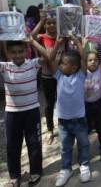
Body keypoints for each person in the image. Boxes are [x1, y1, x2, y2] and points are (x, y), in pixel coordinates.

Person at [1, 37, 49, 187]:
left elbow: (48, 57)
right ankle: (14, 175)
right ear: (8, 53)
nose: (17, 55)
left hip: (32, 111)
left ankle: (35, 171)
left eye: (21, 51)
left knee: (34, 143)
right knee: (12, 145)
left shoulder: (33, 64)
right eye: (13, 52)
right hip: (12, 113)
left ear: (26, 51)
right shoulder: (4, 67)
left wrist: (32, 41)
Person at [49, 37, 91, 186]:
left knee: (83, 144)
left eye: (63, 63)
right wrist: (58, 43)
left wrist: (78, 42)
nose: (60, 65)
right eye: (60, 63)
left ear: (74, 67)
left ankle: (84, 165)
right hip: (63, 121)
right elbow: (51, 58)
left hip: (79, 119)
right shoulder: (58, 75)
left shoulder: (80, 75)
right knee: (65, 147)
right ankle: (65, 169)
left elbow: (84, 58)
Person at [31, 10, 58, 145]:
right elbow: (30, 36)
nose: (52, 25)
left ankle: (65, 125)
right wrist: (41, 20)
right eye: (49, 23)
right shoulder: (41, 37)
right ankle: (50, 129)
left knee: (63, 101)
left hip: (62, 76)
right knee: (49, 104)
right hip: (47, 76)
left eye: (54, 23)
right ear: (45, 25)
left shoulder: (62, 37)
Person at [84, 50, 101, 161]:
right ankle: (83, 152)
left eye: (95, 60)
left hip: (98, 104)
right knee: (85, 130)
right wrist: (82, 44)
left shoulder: (100, 70)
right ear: (85, 62)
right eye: (90, 60)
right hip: (85, 106)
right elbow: (81, 56)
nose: (93, 62)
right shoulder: (83, 72)